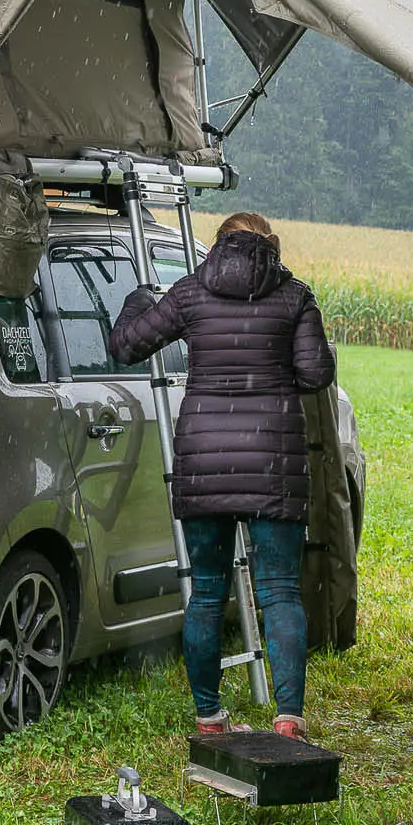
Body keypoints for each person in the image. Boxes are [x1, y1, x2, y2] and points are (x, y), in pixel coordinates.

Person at [110, 211, 335, 741]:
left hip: (205, 461)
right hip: (274, 462)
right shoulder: (295, 295)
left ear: (219, 244)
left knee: (207, 593)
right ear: (270, 245)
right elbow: (315, 374)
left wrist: (138, 300)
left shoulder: (189, 292)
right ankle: (288, 719)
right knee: (279, 591)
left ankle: (209, 717)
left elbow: (125, 347)